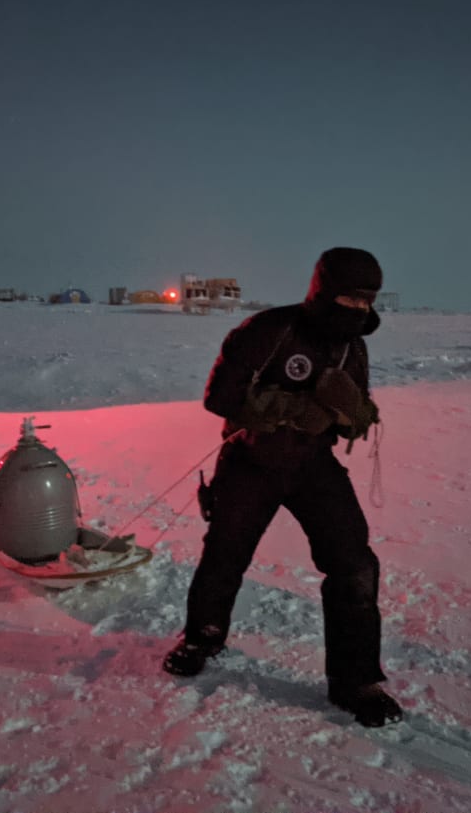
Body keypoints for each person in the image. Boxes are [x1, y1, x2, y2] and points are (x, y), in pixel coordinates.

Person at [162, 247, 402, 728]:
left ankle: (356, 680)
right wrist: (293, 408)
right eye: (347, 299)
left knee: (354, 564)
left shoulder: (353, 345)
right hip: (251, 461)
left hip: (314, 464)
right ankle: (202, 637)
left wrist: (351, 413)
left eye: (365, 302)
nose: (356, 310)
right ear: (321, 290)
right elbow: (220, 397)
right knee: (226, 553)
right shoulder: (270, 331)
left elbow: (356, 416)